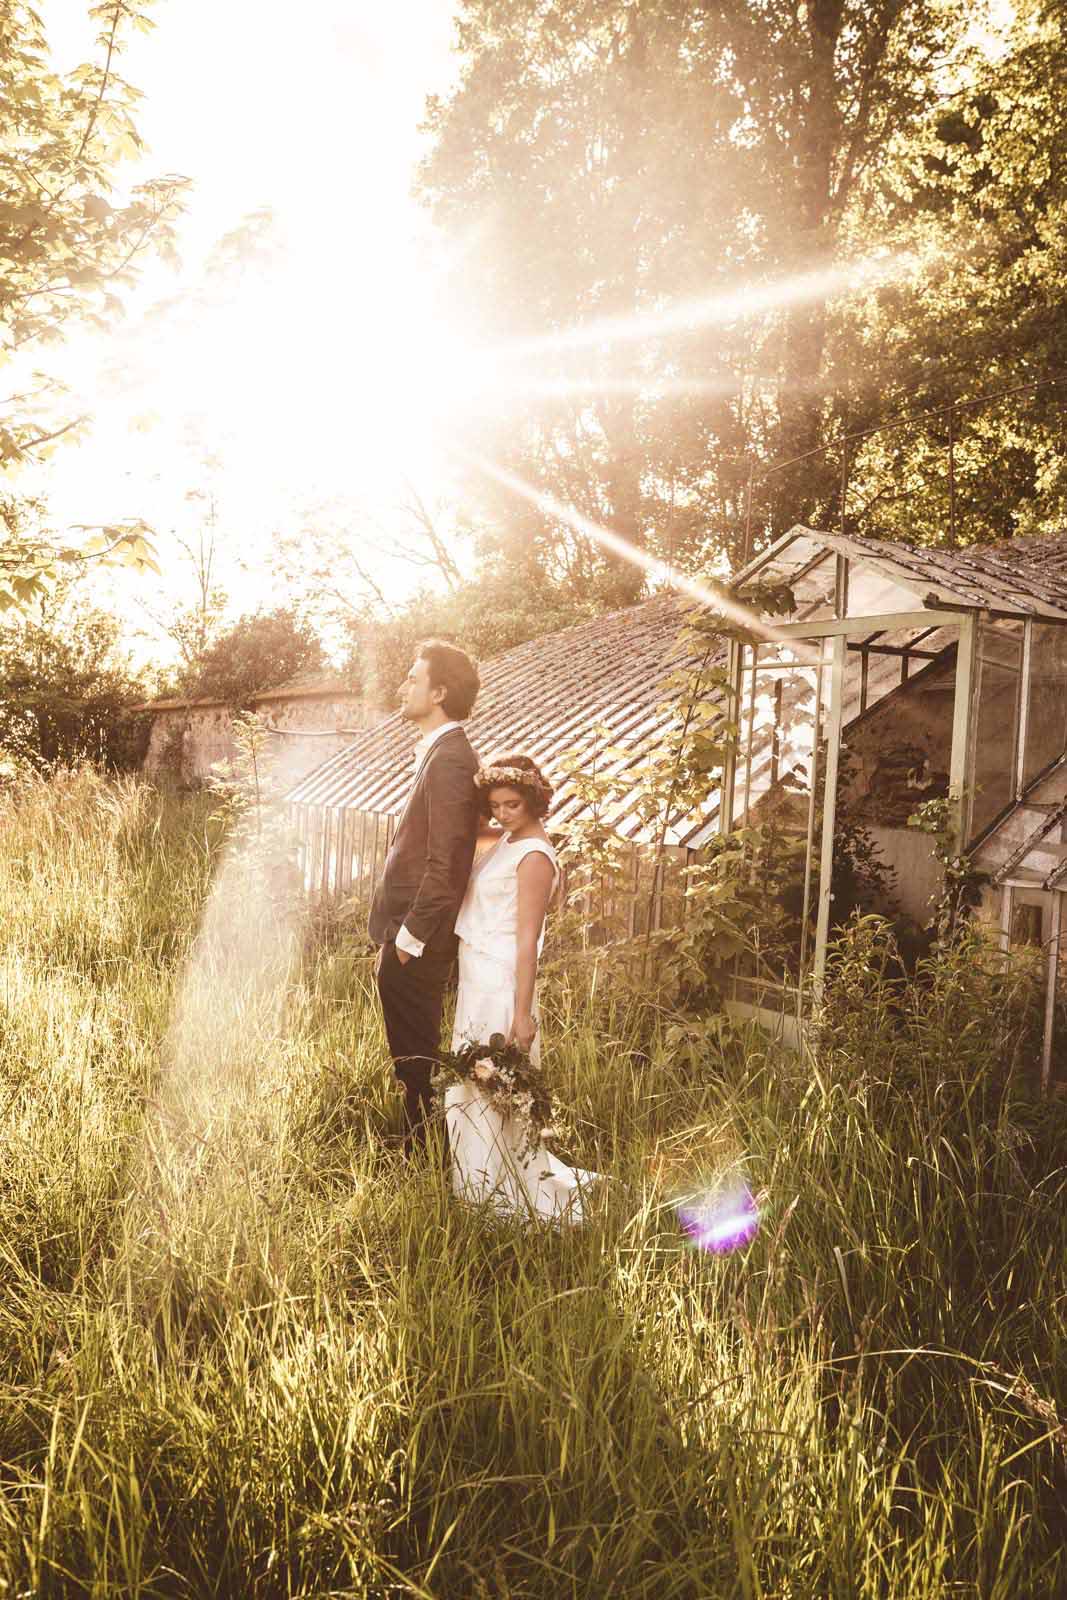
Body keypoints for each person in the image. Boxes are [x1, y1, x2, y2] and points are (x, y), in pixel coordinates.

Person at [446, 753, 599, 1220]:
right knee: (472, 1085)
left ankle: (497, 1193)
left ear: (534, 800)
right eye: (494, 805)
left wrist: (522, 1013)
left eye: (512, 804)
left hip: (500, 981)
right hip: (477, 977)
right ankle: (474, 1184)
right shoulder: (508, 841)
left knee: (494, 1082)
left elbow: (528, 940)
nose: (501, 813)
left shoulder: (534, 855)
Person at [369, 640, 480, 1153]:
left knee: (417, 1051)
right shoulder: (437, 752)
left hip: (419, 935)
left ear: (439, 692)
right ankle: (418, 1141)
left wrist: (410, 937)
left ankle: (425, 1151)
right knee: (409, 1047)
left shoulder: (452, 759)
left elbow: (448, 861)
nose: (402, 686)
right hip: (407, 930)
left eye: (413, 679)